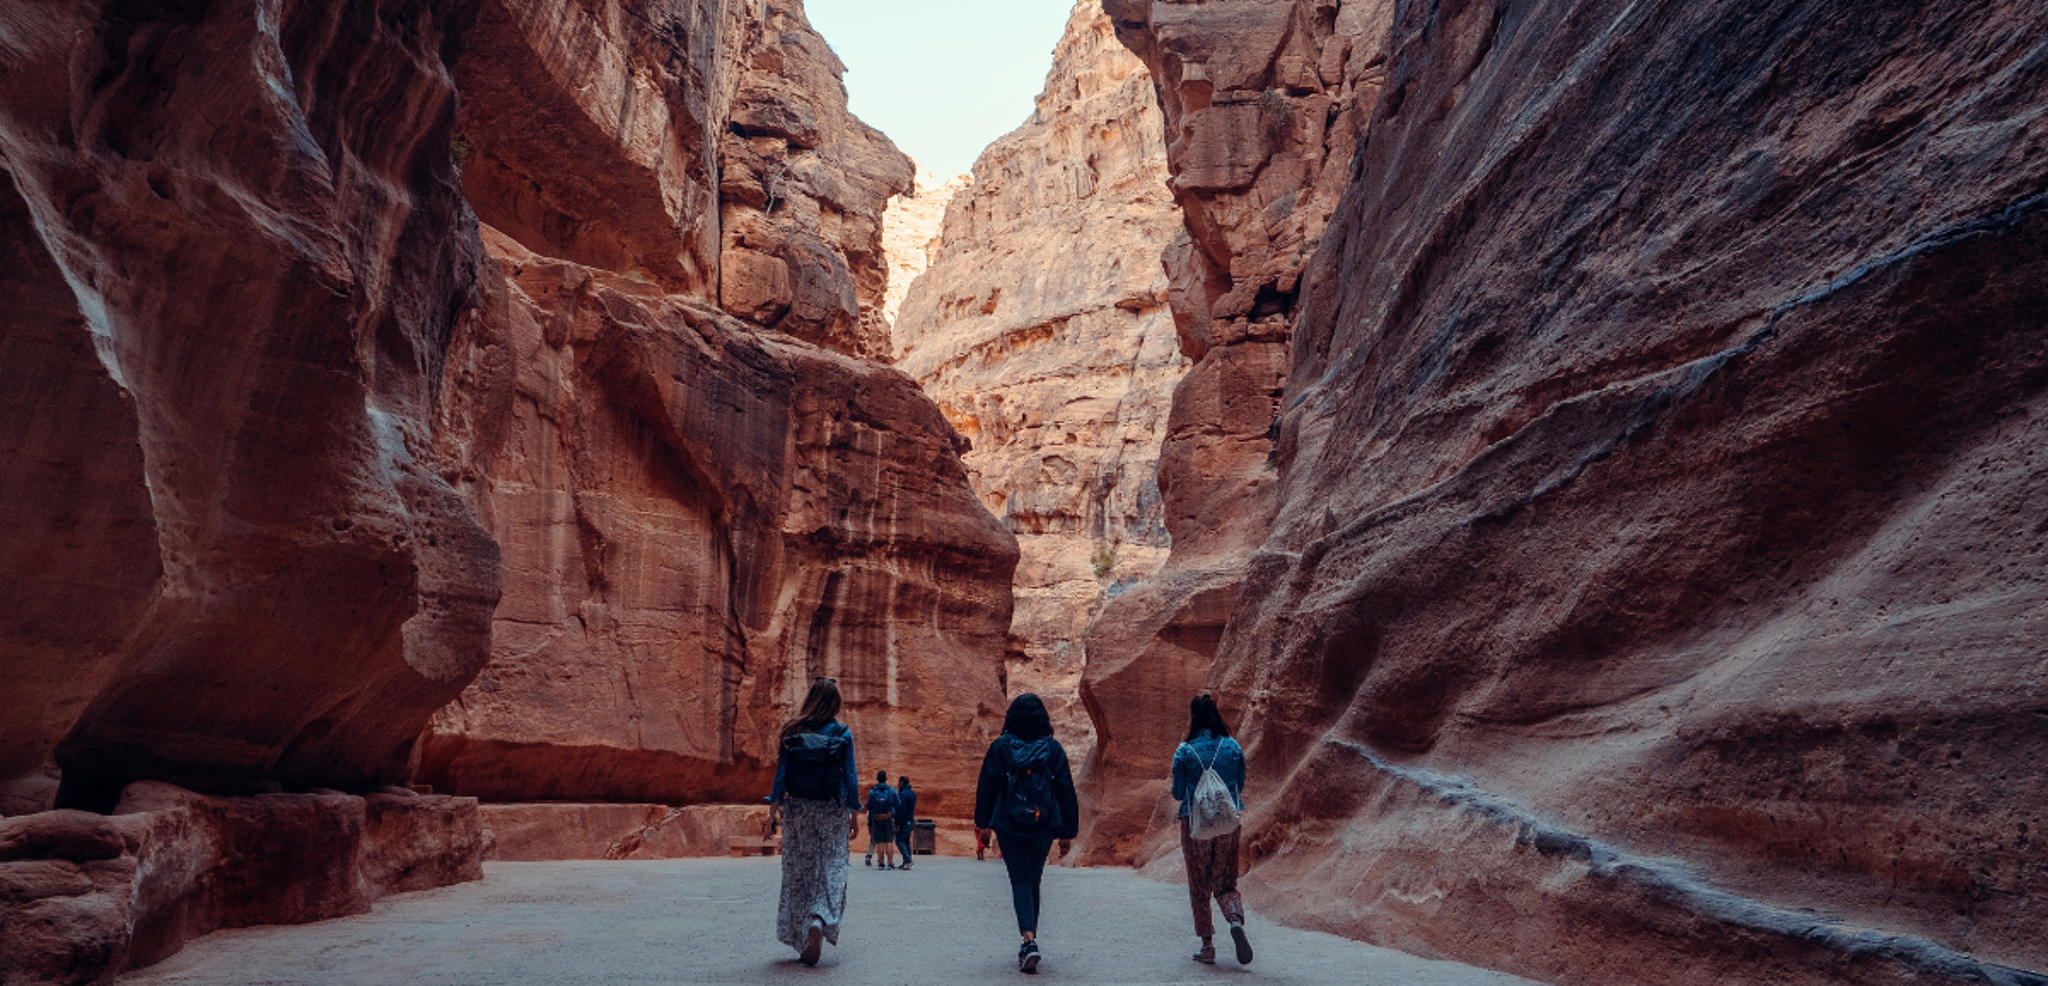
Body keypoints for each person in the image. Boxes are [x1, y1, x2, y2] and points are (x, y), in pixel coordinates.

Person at [975, 694, 1079, 974]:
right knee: (1034, 880)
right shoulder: (1053, 749)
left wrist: (982, 824)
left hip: (1008, 824)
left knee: (1019, 879)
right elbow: (1065, 789)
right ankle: (1030, 940)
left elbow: (987, 786)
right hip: (1043, 823)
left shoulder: (1000, 747)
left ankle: (1028, 941)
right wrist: (1067, 831)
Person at [768, 678, 862, 966]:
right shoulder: (842, 733)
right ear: (835, 703)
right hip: (831, 810)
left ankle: (800, 933)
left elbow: (781, 773)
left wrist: (773, 810)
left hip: (797, 809)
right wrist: (854, 813)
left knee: (800, 871)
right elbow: (850, 777)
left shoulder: (793, 731)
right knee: (832, 866)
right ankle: (819, 918)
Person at [1172, 694, 1252, 966]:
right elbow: (1239, 785)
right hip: (1228, 822)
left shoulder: (1184, 750)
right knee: (1226, 882)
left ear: (1194, 717)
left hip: (1195, 824)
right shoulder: (1233, 747)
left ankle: (1207, 945)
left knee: (1199, 884)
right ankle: (1235, 921)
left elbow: (1177, 792)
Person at [864, 770, 900, 868]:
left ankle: (881, 863)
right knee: (889, 841)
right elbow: (898, 804)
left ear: (877, 779)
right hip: (888, 818)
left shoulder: (873, 791)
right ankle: (891, 863)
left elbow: (869, 806)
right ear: (886, 779)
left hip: (877, 818)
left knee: (880, 842)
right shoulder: (891, 790)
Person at [892, 775, 918, 869]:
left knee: (899, 840)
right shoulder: (912, 793)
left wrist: (898, 823)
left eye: (899, 783)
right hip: (910, 820)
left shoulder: (903, 794)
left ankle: (907, 860)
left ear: (902, 783)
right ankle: (907, 862)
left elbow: (902, 809)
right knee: (906, 841)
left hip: (904, 821)